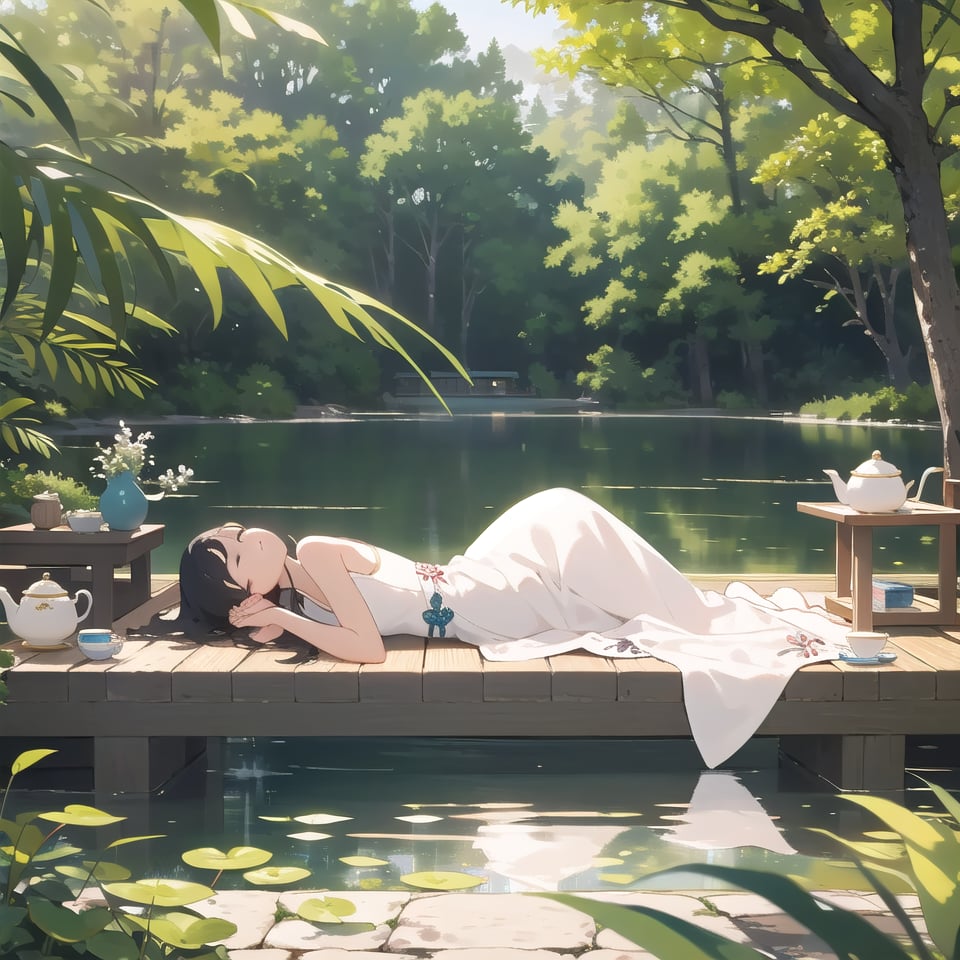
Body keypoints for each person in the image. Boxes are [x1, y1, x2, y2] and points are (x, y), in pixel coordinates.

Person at [171, 487, 851, 767]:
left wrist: (282, 617)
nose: (245, 535)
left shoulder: (313, 553)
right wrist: (279, 622)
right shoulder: (305, 597)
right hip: (488, 607)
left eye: (233, 532)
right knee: (568, 546)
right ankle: (674, 606)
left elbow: (362, 644)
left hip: (478, 586)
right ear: (245, 593)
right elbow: (369, 650)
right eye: (235, 554)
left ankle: (691, 611)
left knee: (563, 519)